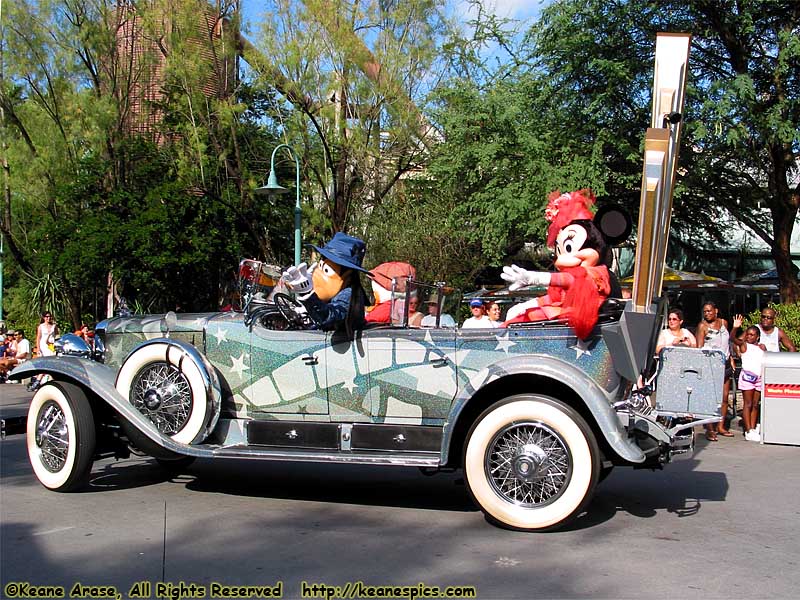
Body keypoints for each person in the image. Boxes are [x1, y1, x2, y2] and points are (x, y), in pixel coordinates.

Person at [502, 190, 612, 339]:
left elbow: (568, 280)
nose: (562, 259)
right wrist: (526, 305)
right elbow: (555, 297)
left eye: (568, 248)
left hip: (577, 316)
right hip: (564, 313)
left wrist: (533, 278)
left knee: (532, 316)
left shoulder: (594, 274)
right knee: (519, 314)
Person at [281, 232, 368, 337]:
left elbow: (330, 317)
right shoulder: (337, 293)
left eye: (326, 270)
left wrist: (307, 294)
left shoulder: (348, 294)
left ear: (347, 275)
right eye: (320, 266)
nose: (318, 274)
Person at [696, 301, 734, 440]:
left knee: (724, 397)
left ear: (716, 311)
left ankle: (721, 426)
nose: (707, 314)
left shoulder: (724, 323)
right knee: (711, 398)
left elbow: (727, 342)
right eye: (705, 311)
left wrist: (731, 359)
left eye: (709, 311)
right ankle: (710, 428)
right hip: (711, 365)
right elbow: (699, 347)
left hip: (725, 364)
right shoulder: (702, 326)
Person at [731, 315, 766, 442]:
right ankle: (748, 430)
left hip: (759, 378)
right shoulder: (744, 345)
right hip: (747, 377)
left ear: (757, 337)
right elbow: (733, 338)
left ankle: (753, 426)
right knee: (748, 403)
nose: (749, 337)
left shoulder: (761, 347)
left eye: (752, 335)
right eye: (748, 334)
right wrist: (735, 328)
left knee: (756, 404)